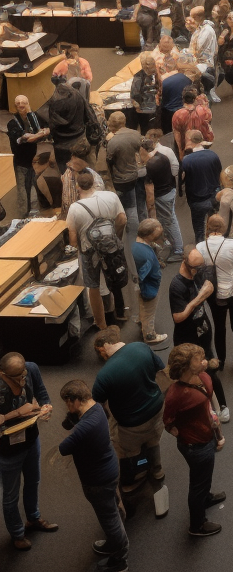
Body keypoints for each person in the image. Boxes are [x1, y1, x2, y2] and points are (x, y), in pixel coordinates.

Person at [57, 378, 128, 571]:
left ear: (74, 400)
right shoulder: (98, 408)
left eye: (67, 401)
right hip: (110, 469)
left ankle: (119, 560)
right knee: (113, 509)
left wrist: (73, 425)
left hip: (98, 480)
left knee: (110, 520)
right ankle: (115, 543)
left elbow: (63, 448)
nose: (66, 405)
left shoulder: (83, 427)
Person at [92, 326, 167, 497]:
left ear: (103, 347)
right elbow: (160, 369)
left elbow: (97, 404)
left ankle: (138, 476)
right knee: (153, 441)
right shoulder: (141, 347)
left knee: (131, 452)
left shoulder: (104, 375)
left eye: (99, 352)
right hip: (157, 410)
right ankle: (157, 469)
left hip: (131, 424)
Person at [162, 343, 226, 538]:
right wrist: (183, 434)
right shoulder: (176, 395)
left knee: (204, 476)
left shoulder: (203, 377)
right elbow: (168, 421)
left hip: (207, 437)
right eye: (199, 359)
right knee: (197, 484)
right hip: (195, 446)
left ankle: (206, 498)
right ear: (188, 366)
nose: (204, 361)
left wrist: (214, 432)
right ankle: (197, 525)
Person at [0, 352, 55, 551]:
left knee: (33, 481)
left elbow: (41, 392)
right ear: (3, 374)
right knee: (10, 496)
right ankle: (17, 533)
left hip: (31, 439)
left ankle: (33, 518)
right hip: (7, 450)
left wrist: (46, 406)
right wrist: (15, 413)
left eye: (24, 374)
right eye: (18, 377)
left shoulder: (31, 368)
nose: (23, 380)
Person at [168, 249, 229, 421]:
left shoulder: (197, 274)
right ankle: (198, 408)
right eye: (195, 267)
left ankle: (222, 405)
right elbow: (178, 317)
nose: (198, 270)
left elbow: (209, 290)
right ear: (185, 262)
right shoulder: (177, 285)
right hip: (187, 338)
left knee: (210, 368)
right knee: (189, 373)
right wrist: (200, 297)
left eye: (200, 266)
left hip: (202, 330)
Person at [66, 169, 128, 331]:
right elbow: (122, 219)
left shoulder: (75, 208)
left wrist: (79, 248)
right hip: (112, 246)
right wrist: (116, 238)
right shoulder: (111, 196)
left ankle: (101, 324)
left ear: (78, 187)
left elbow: (72, 240)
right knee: (114, 277)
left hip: (89, 252)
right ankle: (119, 312)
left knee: (93, 288)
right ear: (94, 183)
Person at [196, 214, 233, 369]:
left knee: (219, 327)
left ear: (208, 227)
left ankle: (221, 361)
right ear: (223, 228)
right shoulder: (232, 244)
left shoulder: (200, 247)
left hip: (213, 294)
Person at [7, 95, 49, 217]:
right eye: (18, 103)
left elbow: (47, 129)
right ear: (15, 106)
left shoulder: (33, 116)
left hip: (34, 159)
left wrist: (40, 132)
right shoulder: (12, 123)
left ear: (28, 104)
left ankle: (35, 211)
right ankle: (23, 214)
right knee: (22, 189)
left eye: (24, 103)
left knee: (33, 185)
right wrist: (40, 134)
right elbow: (25, 138)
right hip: (21, 160)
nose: (21, 105)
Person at [180, 131, 222, 244]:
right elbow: (219, 172)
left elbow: (182, 180)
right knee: (215, 225)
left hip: (197, 200)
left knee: (199, 229)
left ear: (190, 141)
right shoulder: (213, 155)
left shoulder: (187, 160)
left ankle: (201, 251)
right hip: (214, 196)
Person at [133, 218, 169, 348]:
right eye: (157, 231)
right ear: (149, 235)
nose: (160, 234)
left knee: (142, 306)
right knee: (149, 311)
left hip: (141, 287)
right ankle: (150, 336)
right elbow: (142, 275)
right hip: (148, 288)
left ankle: (140, 319)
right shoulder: (146, 254)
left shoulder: (136, 244)